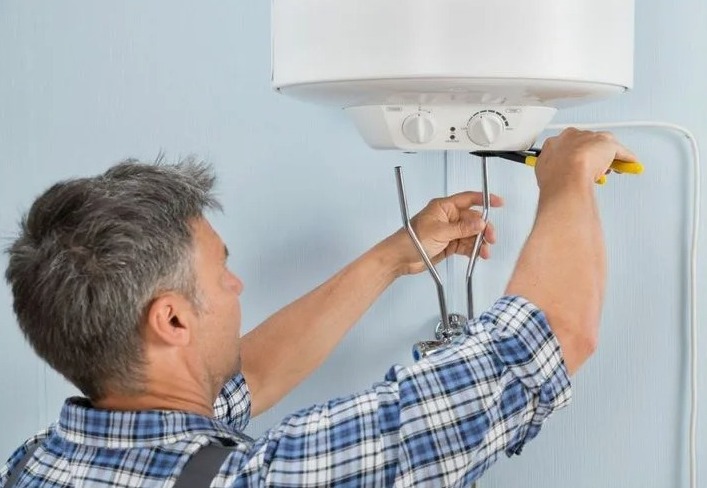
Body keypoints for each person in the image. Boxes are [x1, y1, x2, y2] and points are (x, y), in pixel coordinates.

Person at [0, 128, 636, 487]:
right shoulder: (265, 480)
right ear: (172, 320)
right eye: (221, 271)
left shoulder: (37, 463)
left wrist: (393, 257)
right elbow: (549, 337)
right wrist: (568, 177)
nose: (236, 286)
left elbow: (251, 373)